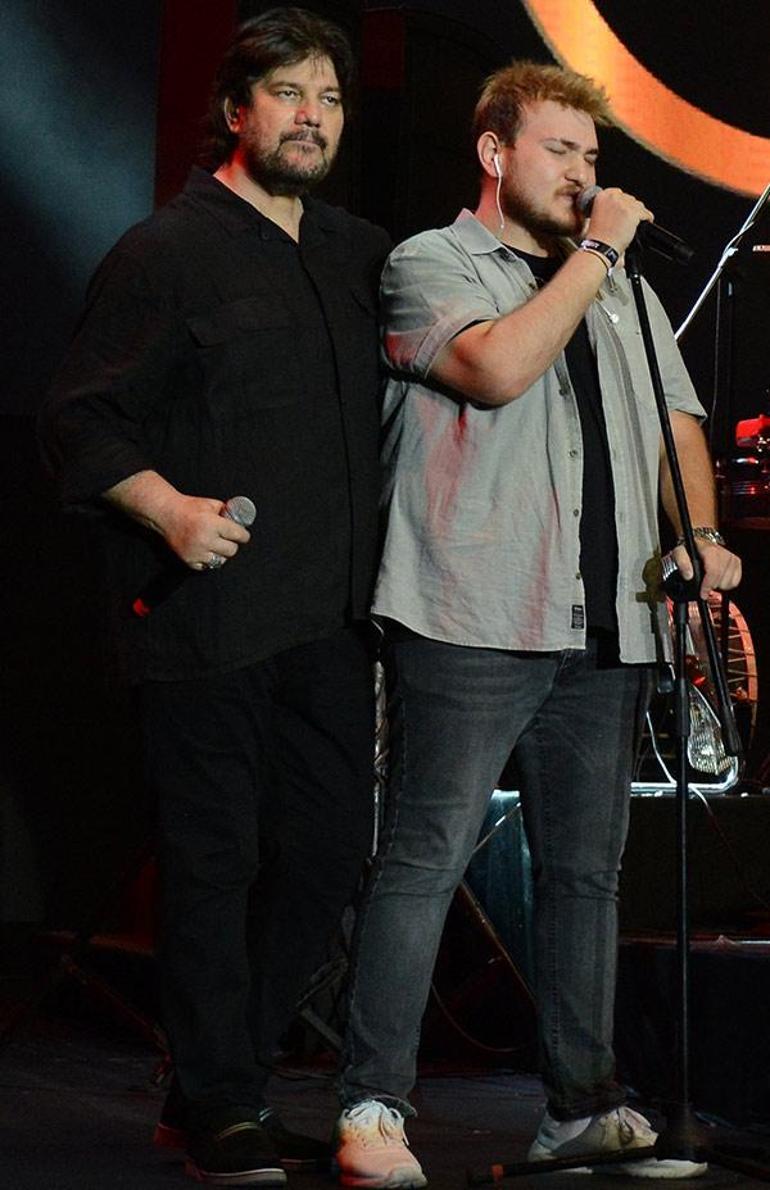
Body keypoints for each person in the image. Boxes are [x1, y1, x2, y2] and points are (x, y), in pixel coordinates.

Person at [333, 60, 741, 1187]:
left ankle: (580, 1104)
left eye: (592, 158)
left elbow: (676, 424)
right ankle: (372, 1103)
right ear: (494, 152)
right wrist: (597, 255)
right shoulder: (431, 263)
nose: (582, 175)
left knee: (585, 872)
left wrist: (702, 535)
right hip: (471, 610)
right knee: (424, 856)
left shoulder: (620, 291)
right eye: (560, 150)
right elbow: (497, 367)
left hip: (607, 622)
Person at [39, 9, 390, 1187]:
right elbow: (79, 418)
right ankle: (223, 1101)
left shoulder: (353, 252)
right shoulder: (165, 252)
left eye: (328, 97)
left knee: (327, 853)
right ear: (236, 110)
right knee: (213, 860)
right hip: (208, 622)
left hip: (331, 619)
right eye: (288, 93)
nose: (311, 116)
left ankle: (211, 1082)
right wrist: (170, 511)